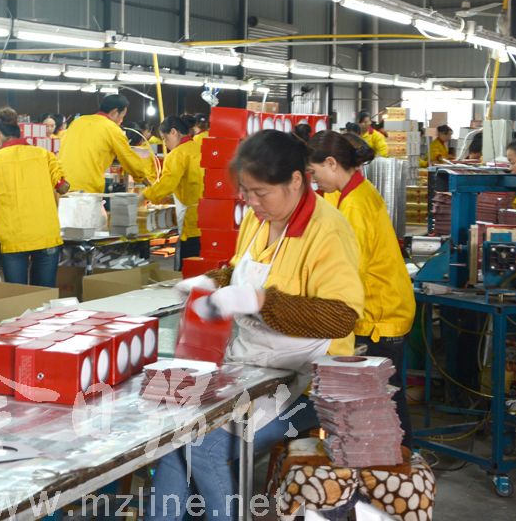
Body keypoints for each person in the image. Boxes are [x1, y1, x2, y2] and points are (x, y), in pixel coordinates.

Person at [150, 131, 364, 521]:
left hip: (305, 384)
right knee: (171, 440)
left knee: (204, 447)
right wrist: (212, 281)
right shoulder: (259, 218)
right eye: (246, 192)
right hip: (250, 366)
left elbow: (341, 316)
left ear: (295, 181)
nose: (251, 202)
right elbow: (240, 269)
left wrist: (262, 301)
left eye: (260, 192)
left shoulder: (327, 230)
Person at [308, 131, 416, 444]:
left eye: (314, 172)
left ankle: (400, 462)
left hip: (380, 315)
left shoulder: (355, 204)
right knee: (381, 396)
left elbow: (348, 271)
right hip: (380, 308)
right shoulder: (349, 192)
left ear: (331, 163)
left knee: (384, 399)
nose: (314, 180)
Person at [0, 107, 69, 287]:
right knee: (44, 296)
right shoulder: (44, 155)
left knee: (17, 297)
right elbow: (63, 187)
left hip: (14, 238)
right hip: (46, 235)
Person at [141, 116, 203, 270]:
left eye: (165, 138)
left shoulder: (177, 154)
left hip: (191, 222)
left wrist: (144, 196)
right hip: (207, 219)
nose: (165, 144)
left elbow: (167, 183)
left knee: (188, 267)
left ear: (174, 132)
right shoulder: (199, 148)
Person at [58, 95, 149, 193]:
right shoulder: (112, 128)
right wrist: (145, 180)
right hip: (86, 189)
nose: (121, 121)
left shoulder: (78, 122)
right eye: (122, 116)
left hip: (62, 186)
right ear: (114, 112)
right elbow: (129, 159)